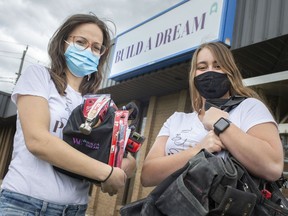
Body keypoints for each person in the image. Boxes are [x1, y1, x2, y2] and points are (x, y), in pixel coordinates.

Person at [0, 14, 136, 215]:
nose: (88, 50)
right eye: (81, 42)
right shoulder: (39, 76)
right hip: (24, 204)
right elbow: (38, 141)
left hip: (74, 209)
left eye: (96, 47)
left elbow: (125, 160)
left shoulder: (100, 105)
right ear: (63, 44)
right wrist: (105, 173)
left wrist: (122, 168)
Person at [141, 42, 284, 187]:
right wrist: (198, 151)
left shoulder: (249, 108)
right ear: (193, 75)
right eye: (202, 67)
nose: (210, 72)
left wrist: (222, 125)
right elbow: (147, 176)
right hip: (173, 207)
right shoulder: (176, 119)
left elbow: (273, 167)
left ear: (230, 72)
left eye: (217, 66)